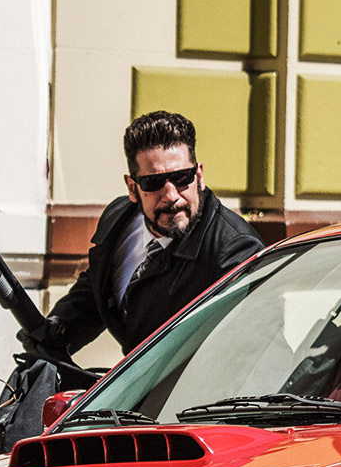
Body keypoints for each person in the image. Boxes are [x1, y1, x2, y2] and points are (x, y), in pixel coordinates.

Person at [34, 111, 264, 359]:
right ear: (133, 188)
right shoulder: (119, 219)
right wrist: (61, 327)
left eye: (181, 178)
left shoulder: (234, 249)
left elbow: (254, 346)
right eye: (154, 183)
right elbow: (96, 290)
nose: (172, 195)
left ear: (199, 175)